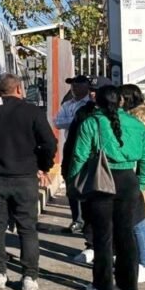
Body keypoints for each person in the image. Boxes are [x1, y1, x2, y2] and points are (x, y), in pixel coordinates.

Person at [0, 74, 57, 290]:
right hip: (25, 178)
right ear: (18, 89)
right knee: (27, 228)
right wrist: (43, 165)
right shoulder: (32, 111)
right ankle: (29, 276)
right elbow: (49, 143)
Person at [69, 85, 145, 290]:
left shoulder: (91, 122)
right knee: (126, 233)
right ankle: (129, 286)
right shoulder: (136, 123)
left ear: (97, 102)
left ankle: (103, 285)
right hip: (129, 179)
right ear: (121, 101)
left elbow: (79, 156)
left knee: (103, 234)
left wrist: (74, 181)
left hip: (102, 178)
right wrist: (141, 183)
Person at [120, 84, 145, 283]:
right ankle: (137, 261)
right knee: (132, 222)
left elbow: (141, 153)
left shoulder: (137, 121)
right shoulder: (138, 118)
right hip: (134, 175)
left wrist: (141, 182)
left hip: (136, 175)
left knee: (138, 222)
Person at [60, 79, 101, 264]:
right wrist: (70, 170)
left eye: (96, 90)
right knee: (88, 206)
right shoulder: (82, 112)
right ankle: (91, 245)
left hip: (111, 170)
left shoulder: (119, 115)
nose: (92, 93)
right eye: (91, 90)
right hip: (85, 167)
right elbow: (72, 144)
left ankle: (111, 248)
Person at [55, 75, 94, 234]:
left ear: (86, 87)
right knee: (71, 181)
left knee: (86, 183)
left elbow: (83, 123)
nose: (74, 88)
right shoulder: (67, 104)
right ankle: (77, 219)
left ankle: (88, 220)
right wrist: (75, 120)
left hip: (87, 148)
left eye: (77, 85)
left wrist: (72, 120)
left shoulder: (90, 104)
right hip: (70, 146)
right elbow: (58, 122)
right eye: (72, 85)